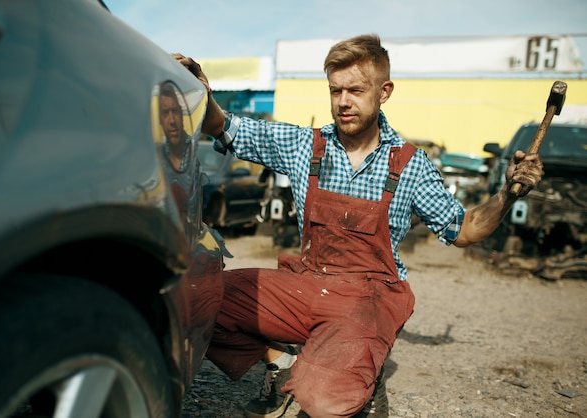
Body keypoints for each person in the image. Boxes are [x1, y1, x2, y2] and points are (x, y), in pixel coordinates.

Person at [173, 34, 544, 418]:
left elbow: (464, 229)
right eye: (336, 91)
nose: (343, 101)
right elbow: (226, 127)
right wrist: (202, 93)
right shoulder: (306, 145)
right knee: (195, 296)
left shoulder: (410, 165)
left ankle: (355, 373)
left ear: (384, 92)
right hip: (309, 281)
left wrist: (507, 195)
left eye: (355, 90)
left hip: (368, 297)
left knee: (323, 401)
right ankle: (284, 365)